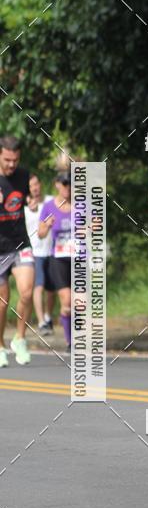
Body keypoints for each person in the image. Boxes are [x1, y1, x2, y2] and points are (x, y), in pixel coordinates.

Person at [0, 136, 34, 366]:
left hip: (21, 243)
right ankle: (0, 344)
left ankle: (20, 339)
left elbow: (30, 197)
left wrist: (32, 202)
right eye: (7, 160)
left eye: (15, 160)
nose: (12, 164)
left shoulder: (23, 176)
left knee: (27, 292)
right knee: (2, 302)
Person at [38, 171, 74, 350]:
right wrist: (47, 226)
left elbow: (95, 225)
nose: (68, 187)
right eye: (65, 183)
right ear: (57, 185)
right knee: (67, 300)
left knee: (80, 303)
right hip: (58, 258)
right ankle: (71, 342)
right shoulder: (48, 207)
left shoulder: (82, 204)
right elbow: (41, 233)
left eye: (71, 183)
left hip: (79, 257)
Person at [25, 174, 55, 334]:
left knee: (52, 288)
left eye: (36, 184)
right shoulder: (24, 207)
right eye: (31, 186)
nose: (35, 188)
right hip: (34, 251)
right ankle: (41, 321)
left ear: (40, 184)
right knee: (39, 285)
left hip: (52, 249)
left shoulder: (51, 201)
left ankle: (48, 316)